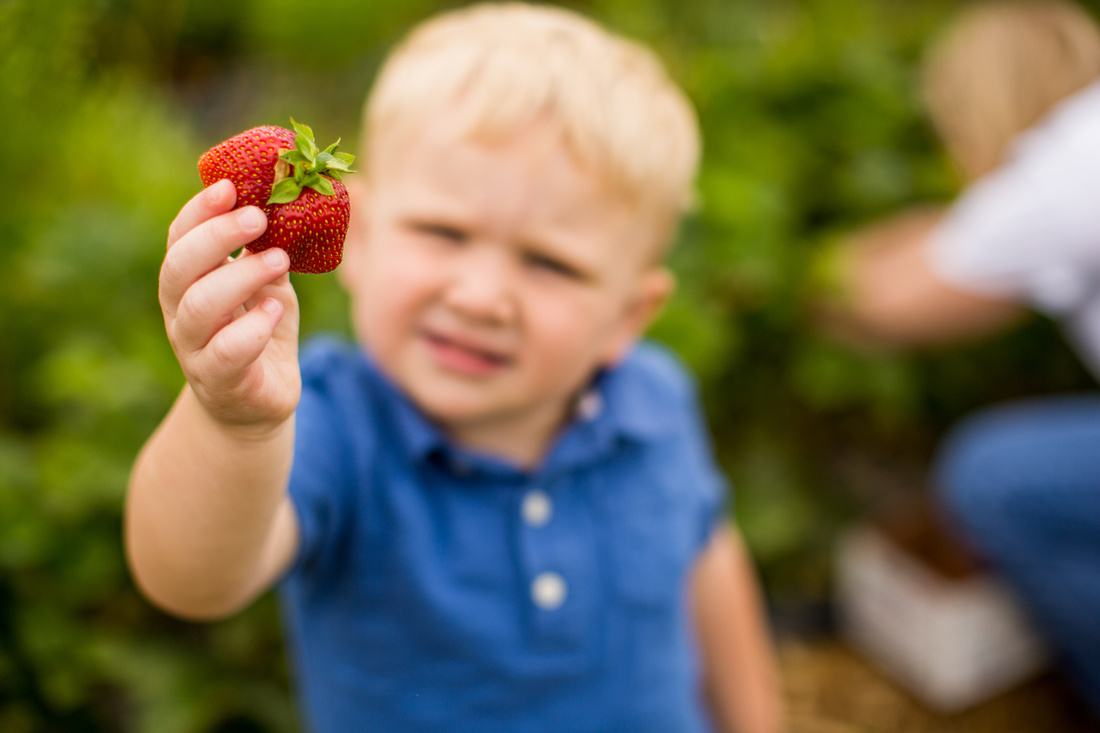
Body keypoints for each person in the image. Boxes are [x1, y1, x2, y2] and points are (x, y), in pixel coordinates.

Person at [125, 4, 785, 732]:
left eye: (549, 263)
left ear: (627, 315)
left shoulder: (655, 404)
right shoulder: (334, 424)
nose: (479, 297)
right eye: (443, 232)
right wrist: (232, 422)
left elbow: (707, 562)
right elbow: (189, 579)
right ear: (363, 238)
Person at [818, 0, 1100, 717]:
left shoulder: (1063, 166)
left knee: (994, 476)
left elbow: (885, 300)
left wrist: (798, 277)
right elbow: (969, 240)